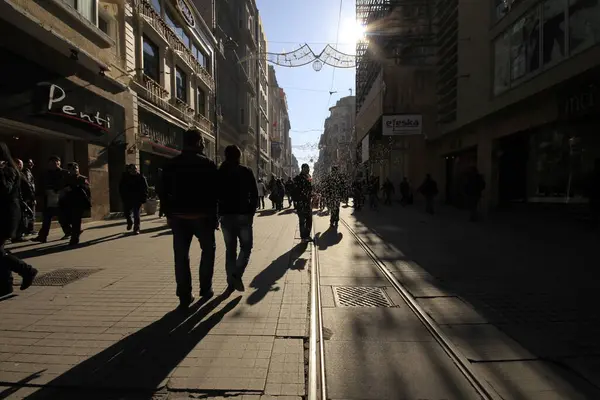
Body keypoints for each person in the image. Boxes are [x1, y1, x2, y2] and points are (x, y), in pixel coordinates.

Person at [161, 129, 218, 309]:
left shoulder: (172, 164)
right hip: (203, 216)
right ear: (199, 143)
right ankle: (206, 289)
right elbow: (216, 193)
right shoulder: (208, 164)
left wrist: (168, 214)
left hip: (179, 216)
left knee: (181, 257)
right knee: (208, 252)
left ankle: (184, 296)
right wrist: (215, 216)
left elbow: (162, 191)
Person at [217, 145, 258, 294]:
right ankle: (236, 275)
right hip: (243, 215)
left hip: (226, 216)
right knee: (246, 248)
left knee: (230, 250)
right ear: (239, 157)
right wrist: (251, 214)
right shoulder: (246, 171)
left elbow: (215, 195)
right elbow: (254, 195)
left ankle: (231, 281)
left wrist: (217, 214)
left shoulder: (220, 172)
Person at [0, 142, 38, 297]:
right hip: (4, 214)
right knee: (0, 251)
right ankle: (6, 285)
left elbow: (5, 190)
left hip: (5, 215)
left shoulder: (9, 170)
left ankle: (27, 270)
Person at [33, 156, 70, 243]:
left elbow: (68, 185)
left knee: (62, 217)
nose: (54, 164)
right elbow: (40, 185)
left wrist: (61, 191)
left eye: (56, 162)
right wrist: (39, 195)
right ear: (48, 164)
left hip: (60, 198)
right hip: (48, 198)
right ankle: (42, 236)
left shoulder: (65, 173)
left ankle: (68, 232)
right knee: (46, 218)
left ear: (59, 163)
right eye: (52, 162)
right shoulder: (45, 174)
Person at [61, 162, 91, 246]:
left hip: (78, 203)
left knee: (76, 221)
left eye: (76, 168)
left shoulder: (82, 178)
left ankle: (74, 239)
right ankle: (75, 232)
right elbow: (62, 188)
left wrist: (75, 187)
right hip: (68, 202)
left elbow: (87, 189)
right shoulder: (66, 178)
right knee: (65, 219)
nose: (74, 170)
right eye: (72, 169)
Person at [119, 164, 148, 234]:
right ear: (129, 170)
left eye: (136, 169)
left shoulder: (141, 177)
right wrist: (123, 196)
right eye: (133, 169)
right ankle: (129, 222)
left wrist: (144, 197)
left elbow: (145, 188)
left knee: (136, 213)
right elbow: (121, 188)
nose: (135, 170)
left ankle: (136, 229)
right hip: (127, 198)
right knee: (126, 213)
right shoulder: (125, 177)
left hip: (137, 199)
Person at [292, 164, 313, 242]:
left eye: (309, 169)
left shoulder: (308, 177)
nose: (308, 170)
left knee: (307, 220)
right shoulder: (298, 178)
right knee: (303, 220)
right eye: (307, 169)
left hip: (306, 202)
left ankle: (305, 236)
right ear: (303, 169)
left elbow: (309, 189)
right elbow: (295, 191)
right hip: (302, 202)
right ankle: (304, 237)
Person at [22, 159, 36, 235]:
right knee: (30, 213)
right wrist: (32, 197)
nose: (32, 164)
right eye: (30, 163)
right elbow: (29, 185)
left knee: (28, 213)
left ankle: (29, 229)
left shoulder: (27, 172)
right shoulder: (26, 172)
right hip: (29, 196)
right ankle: (30, 229)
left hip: (28, 195)